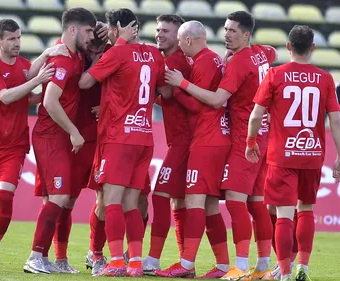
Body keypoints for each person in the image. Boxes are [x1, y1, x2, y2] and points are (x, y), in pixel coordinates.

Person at [165, 11, 277, 279]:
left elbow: (216, 100)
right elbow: (272, 52)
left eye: (233, 31)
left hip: (244, 138)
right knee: (256, 202)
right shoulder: (261, 52)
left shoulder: (238, 62)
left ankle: (237, 266)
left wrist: (181, 82)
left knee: (236, 202)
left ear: (246, 35)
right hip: (265, 134)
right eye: (225, 29)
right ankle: (261, 266)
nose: (226, 35)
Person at [245, 25, 340, 281]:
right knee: (307, 209)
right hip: (312, 153)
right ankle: (303, 266)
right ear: (312, 48)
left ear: (288, 47)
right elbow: (335, 120)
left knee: (283, 214)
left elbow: (256, 115)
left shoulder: (274, 75)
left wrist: (250, 143)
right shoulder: (325, 78)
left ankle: (285, 273)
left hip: (282, 155)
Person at [0, 18, 67, 271]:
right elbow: (7, 97)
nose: (17, 43)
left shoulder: (24, 66)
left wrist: (49, 92)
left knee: (6, 194)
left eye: (19, 37)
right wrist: (37, 79)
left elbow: (27, 98)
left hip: (14, 145)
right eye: (11, 39)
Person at [78, 8, 171, 277]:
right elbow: (164, 91)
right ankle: (135, 263)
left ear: (116, 28)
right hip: (144, 136)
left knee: (111, 202)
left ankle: (116, 260)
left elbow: (84, 82)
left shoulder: (116, 52)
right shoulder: (154, 54)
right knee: (133, 203)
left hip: (118, 137)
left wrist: (115, 105)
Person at [23, 8, 97, 274]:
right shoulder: (63, 59)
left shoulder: (75, 54)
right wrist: (74, 131)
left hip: (58, 134)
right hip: (50, 134)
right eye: (88, 31)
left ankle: (56, 259)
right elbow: (50, 101)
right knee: (59, 196)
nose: (91, 36)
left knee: (60, 199)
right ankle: (35, 257)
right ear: (73, 30)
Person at [155, 20, 231, 278]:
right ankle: (222, 265)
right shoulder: (214, 60)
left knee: (194, 201)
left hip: (207, 140)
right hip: (216, 138)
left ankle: (186, 264)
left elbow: (199, 106)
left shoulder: (204, 62)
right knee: (209, 205)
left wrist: (177, 87)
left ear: (187, 40)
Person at [141, 13, 192, 275]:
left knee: (160, 196)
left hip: (185, 142)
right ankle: (186, 263)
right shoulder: (174, 60)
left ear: (180, 37)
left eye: (166, 31)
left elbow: (169, 91)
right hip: (184, 140)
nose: (160, 34)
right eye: (158, 29)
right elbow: (169, 98)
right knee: (178, 203)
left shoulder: (174, 61)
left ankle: (152, 259)